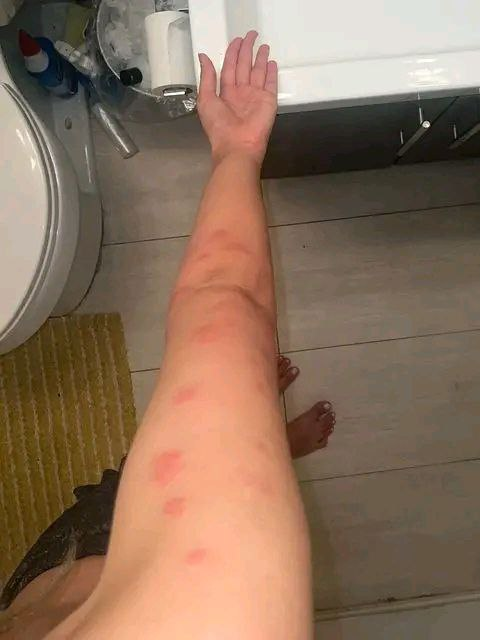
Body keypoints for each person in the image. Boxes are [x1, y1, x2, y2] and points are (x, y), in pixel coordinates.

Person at [0, 32, 335, 639]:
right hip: (78, 585)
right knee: (143, 486)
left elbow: (226, 317)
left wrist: (237, 150)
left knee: (124, 489)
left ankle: (249, 430)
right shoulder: (212, 617)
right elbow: (223, 314)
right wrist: (236, 153)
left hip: (37, 593)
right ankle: (263, 436)